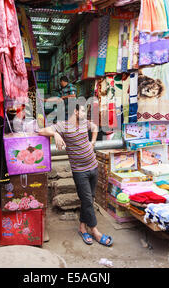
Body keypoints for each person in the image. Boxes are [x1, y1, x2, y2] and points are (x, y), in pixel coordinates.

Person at [38, 102, 113, 247]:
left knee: (89, 200)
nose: (86, 114)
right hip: (80, 171)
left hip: (93, 167)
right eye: (84, 111)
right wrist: (55, 134)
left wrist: (92, 142)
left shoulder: (85, 123)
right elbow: (41, 131)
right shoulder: (63, 126)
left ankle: (82, 228)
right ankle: (95, 231)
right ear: (76, 112)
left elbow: (95, 127)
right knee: (87, 200)